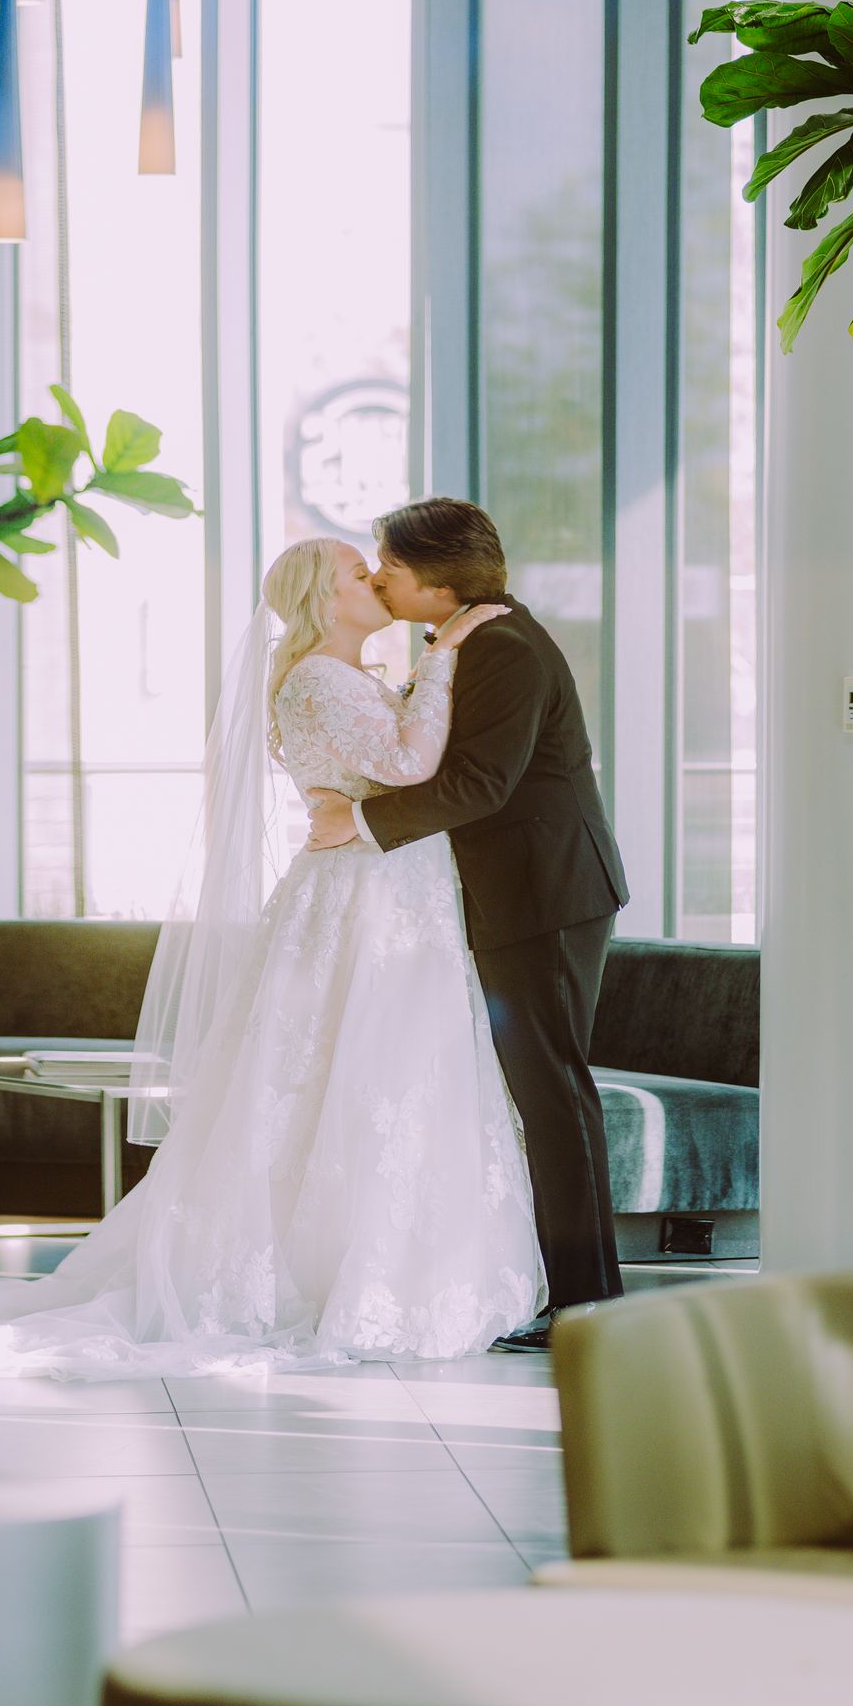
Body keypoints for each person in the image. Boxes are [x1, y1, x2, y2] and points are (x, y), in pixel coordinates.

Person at [0, 534, 544, 1378]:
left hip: (389, 892)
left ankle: (381, 1264)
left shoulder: (341, 678)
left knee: (383, 1075)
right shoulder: (320, 678)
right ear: (320, 598)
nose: (372, 578)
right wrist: (444, 655)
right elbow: (409, 760)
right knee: (345, 1073)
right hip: (360, 899)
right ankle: (331, 1275)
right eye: (353, 572)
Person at [304, 497, 627, 1345]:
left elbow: (482, 782)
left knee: (554, 1093)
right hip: (516, 893)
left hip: (546, 895)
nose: (378, 576)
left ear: (440, 584)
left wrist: (361, 826)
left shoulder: (506, 648)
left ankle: (590, 1306)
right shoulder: (474, 639)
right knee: (536, 1092)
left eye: (392, 568)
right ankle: (567, 1294)